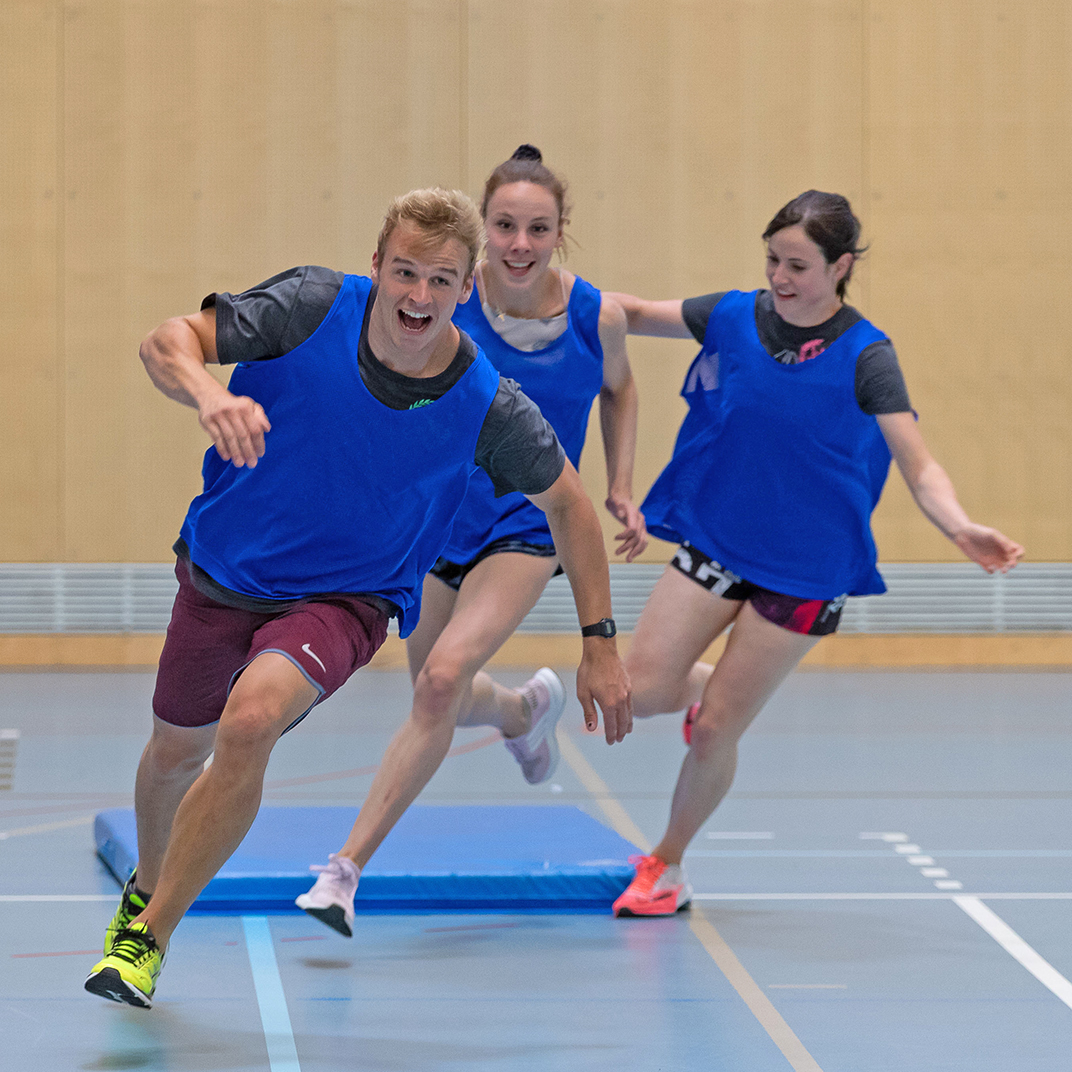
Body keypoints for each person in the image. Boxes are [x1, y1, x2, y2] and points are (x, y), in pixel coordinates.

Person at [84, 187, 631, 1008]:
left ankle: (147, 938)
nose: (419, 295)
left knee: (251, 721)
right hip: (224, 571)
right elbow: (168, 341)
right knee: (172, 754)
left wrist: (601, 642)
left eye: (441, 280)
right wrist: (209, 393)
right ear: (376, 265)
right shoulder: (309, 308)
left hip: (348, 597)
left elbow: (571, 507)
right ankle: (146, 892)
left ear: (468, 288)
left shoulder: (484, 401)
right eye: (405, 272)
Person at [605, 190, 1024, 916]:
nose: (780, 277)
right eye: (773, 259)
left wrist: (959, 527)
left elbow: (920, 464)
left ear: (841, 267)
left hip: (806, 570)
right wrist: (549, 293)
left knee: (717, 731)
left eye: (798, 265)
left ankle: (667, 865)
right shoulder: (734, 316)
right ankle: (712, 687)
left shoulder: (868, 356)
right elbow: (632, 312)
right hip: (720, 538)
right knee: (636, 692)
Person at [295, 145, 646, 937]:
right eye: (505, 227)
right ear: (484, 232)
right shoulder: (446, 299)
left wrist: (620, 483)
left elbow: (621, 390)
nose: (520, 244)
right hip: (439, 520)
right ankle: (523, 712)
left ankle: (343, 872)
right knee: (444, 692)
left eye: (538, 229)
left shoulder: (597, 318)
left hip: (526, 528)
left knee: (440, 681)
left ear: (561, 232)